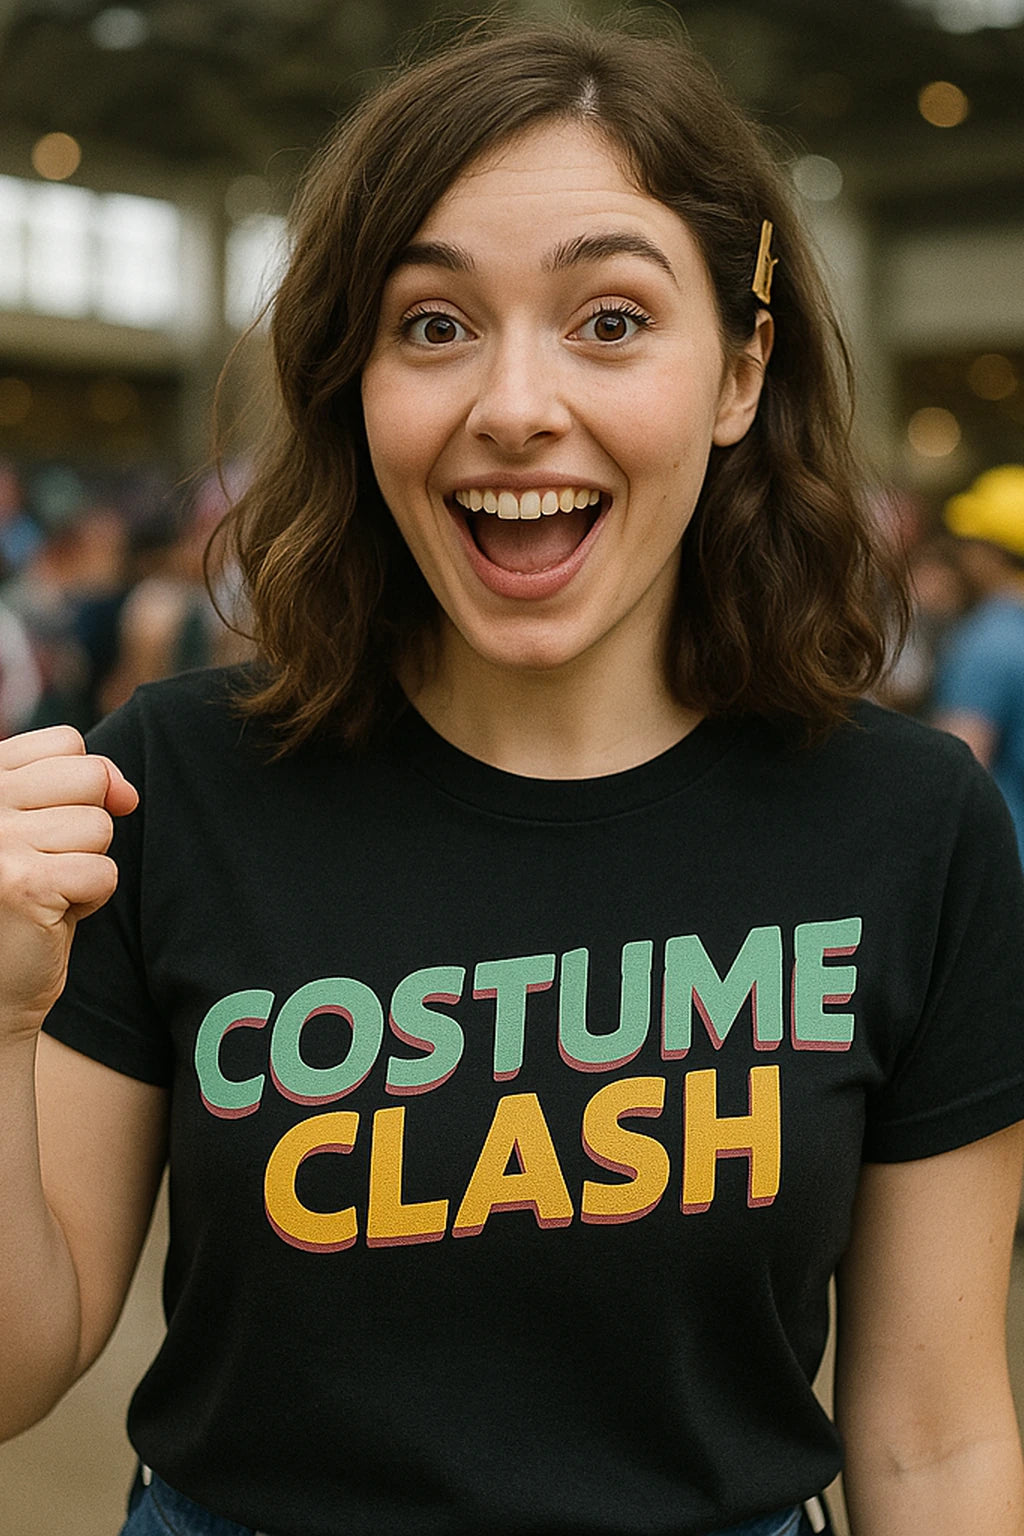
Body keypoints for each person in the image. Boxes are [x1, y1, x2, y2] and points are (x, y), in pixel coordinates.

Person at [1, 18, 1023, 1536]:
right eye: (433, 325)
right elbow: (20, 1366)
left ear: (740, 372)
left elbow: (935, 1440)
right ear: (353, 380)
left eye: (611, 321)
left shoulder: (906, 822)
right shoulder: (178, 781)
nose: (517, 405)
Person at [931, 464, 1024, 865]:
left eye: (970, 543)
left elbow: (958, 767)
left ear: (993, 553)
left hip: (1006, 861)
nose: (963, 555)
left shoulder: (989, 641)